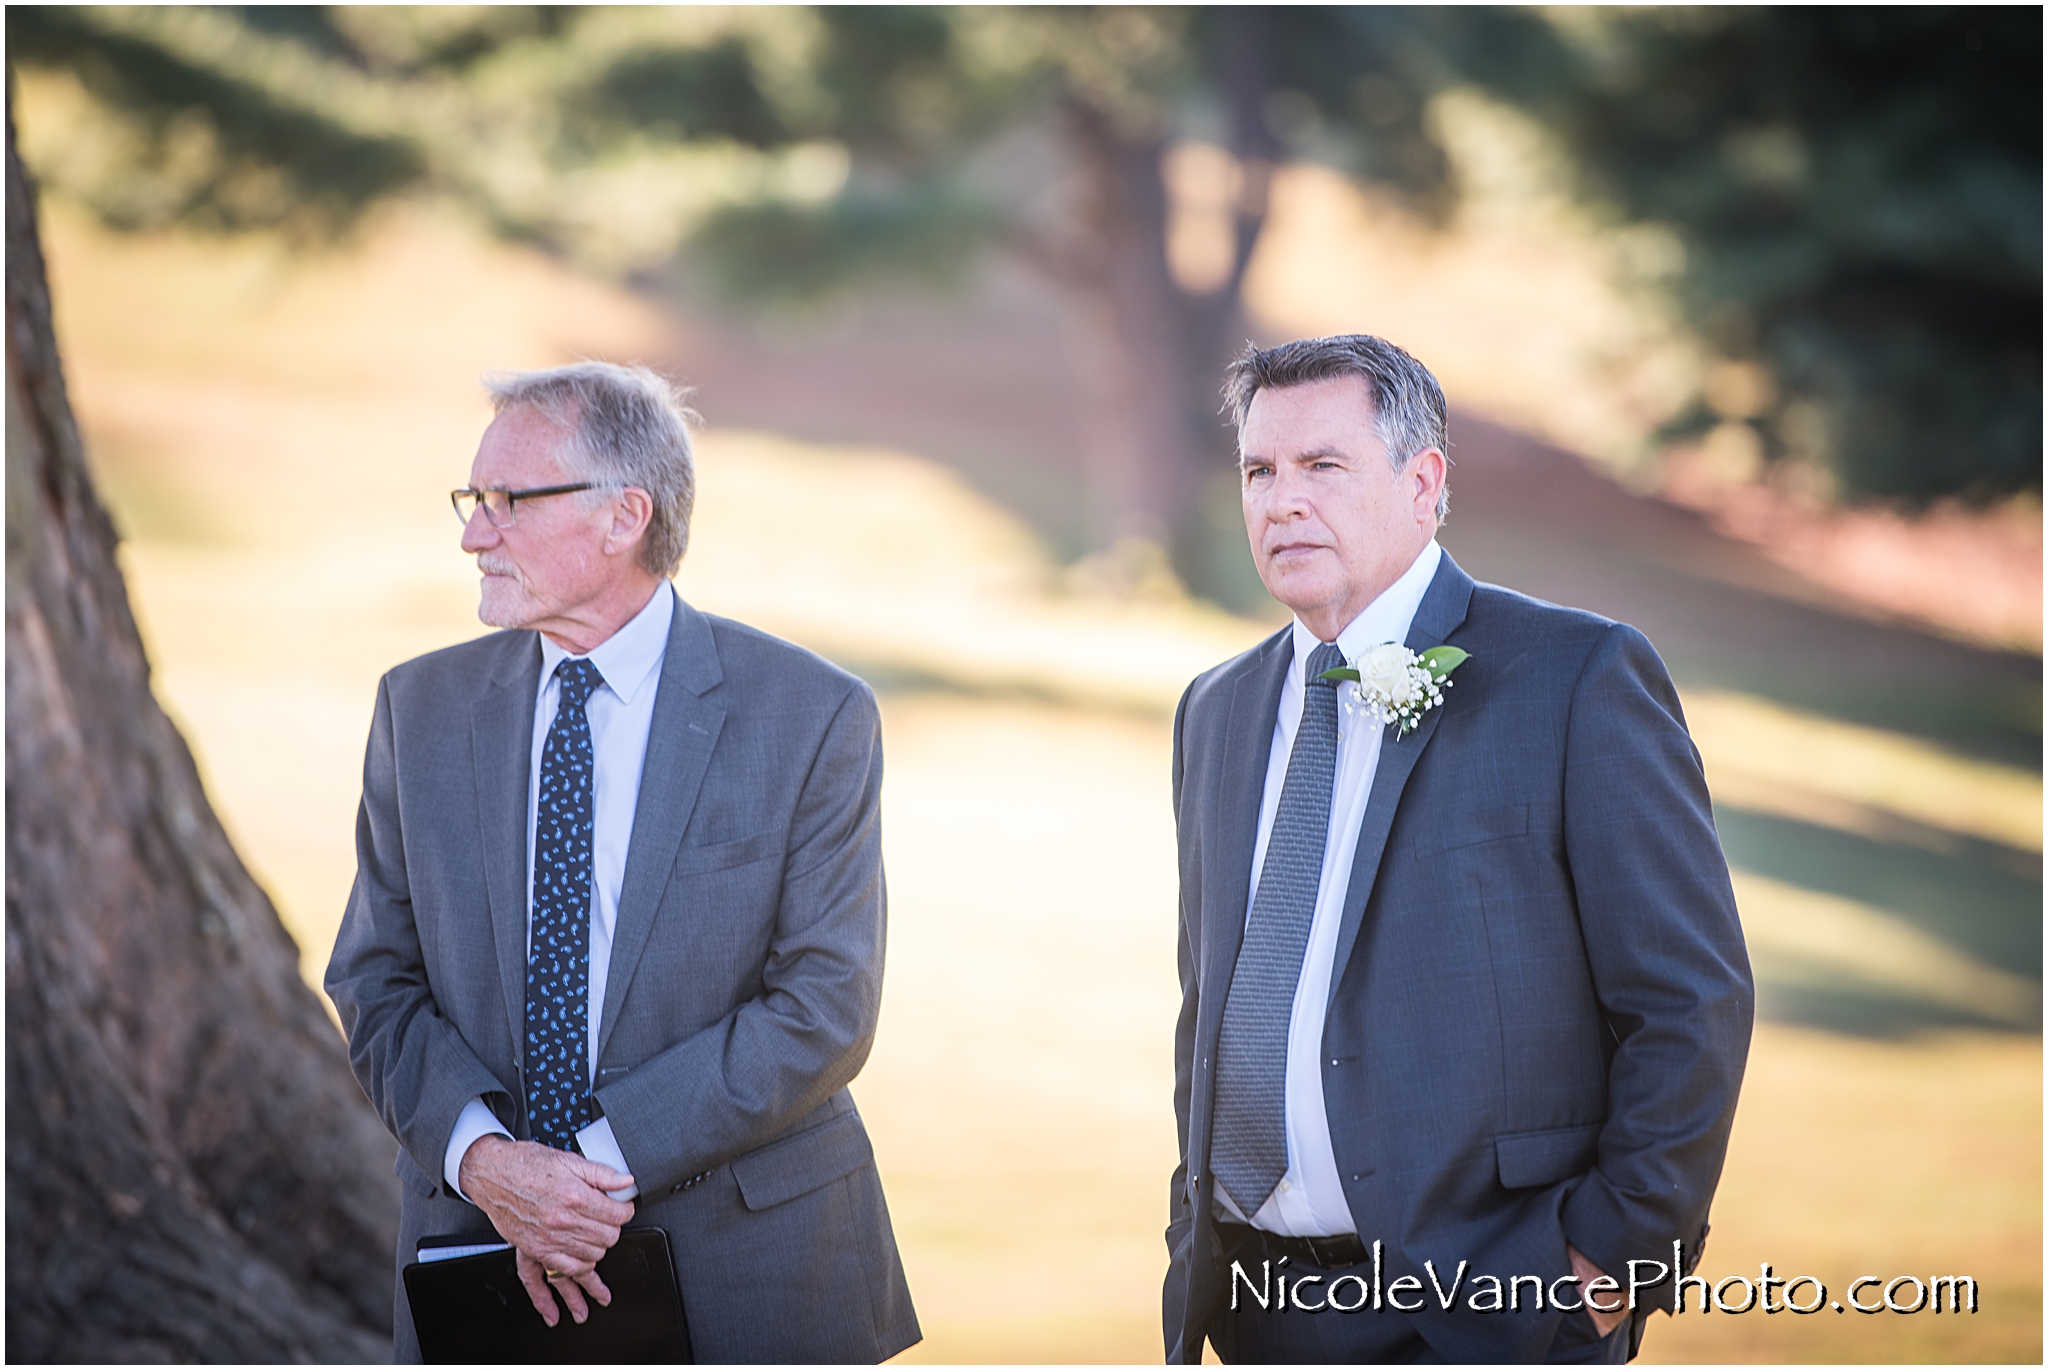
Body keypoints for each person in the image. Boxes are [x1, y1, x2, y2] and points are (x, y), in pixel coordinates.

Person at [1162, 335, 1752, 1364]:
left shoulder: (1574, 676)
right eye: (1259, 468)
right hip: (1257, 1310)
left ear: (1421, 479)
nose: (1279, 499)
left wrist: (1610, 1260)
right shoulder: (1215, 709)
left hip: (1498, 1308)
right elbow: (1211, 1002)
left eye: (1321, 466)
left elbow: (1685, 1000)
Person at [326, 361, 919, 1363]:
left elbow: (822, 1004)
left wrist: (586, 1174)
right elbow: (376, 977)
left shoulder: (810, 714)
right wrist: (490, 1164)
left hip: (751, 1267)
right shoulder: (417, 709)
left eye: (508, 500)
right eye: (473, 501)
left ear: (622, 517)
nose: (475, 532)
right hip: (482, 1254)